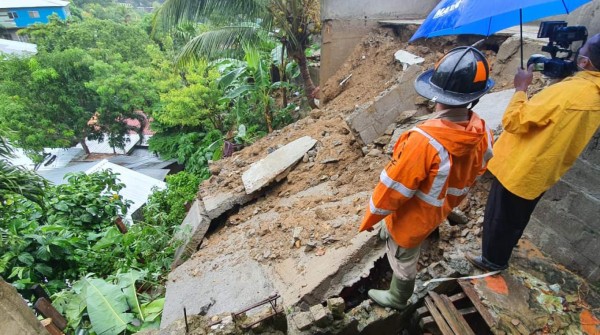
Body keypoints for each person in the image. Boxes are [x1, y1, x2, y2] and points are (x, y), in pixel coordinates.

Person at [358, 46, 495, 310]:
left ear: (436, 94)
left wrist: (372, 218)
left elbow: (393, 189)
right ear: (474, 97)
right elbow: (482, 164)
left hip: (415, 216)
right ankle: (395, 231)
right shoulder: (480, 129)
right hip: (441, 205)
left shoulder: (423, 141)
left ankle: (398, 297)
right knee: (412, 230)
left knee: (405, 253)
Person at [467, 33, 600, 272]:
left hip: (521, 167)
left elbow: (515, 121)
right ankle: (499, 254)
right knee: (515, 219)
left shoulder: (568, 94)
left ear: (584, 62)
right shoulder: (591, 93)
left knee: (500, 219)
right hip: (543, 170)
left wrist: (521, 88)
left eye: (584, 49)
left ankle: (492, 262)